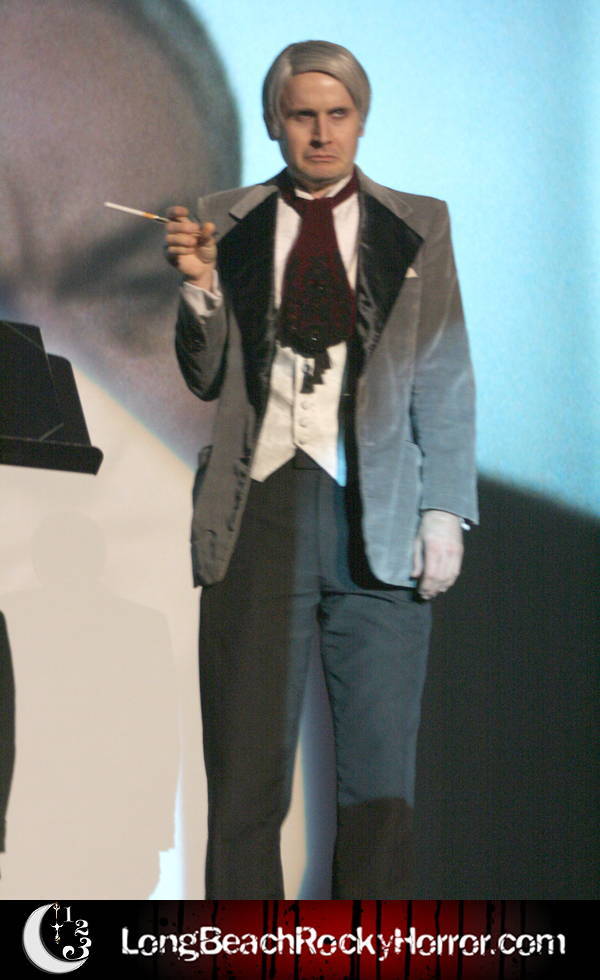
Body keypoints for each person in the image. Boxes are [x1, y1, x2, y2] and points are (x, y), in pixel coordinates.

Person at [165, 40, 478, 899]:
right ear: (276, 122)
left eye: (338, 114)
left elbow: (444, 369)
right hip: (256, 508)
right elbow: (204, 374)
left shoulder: (418, 222)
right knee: (244, 777)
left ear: (361, 119)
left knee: (380, 781)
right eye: (302, 115)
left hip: (378, 509)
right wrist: (199, 291)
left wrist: (444, 508)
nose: (321, 133)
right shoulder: (224, 220)